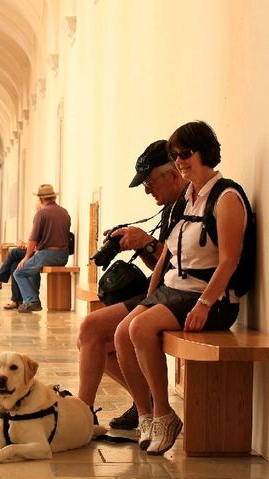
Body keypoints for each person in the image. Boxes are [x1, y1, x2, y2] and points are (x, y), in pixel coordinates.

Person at [114, 121, 247, 455]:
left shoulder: (226, 196)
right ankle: (146, 415)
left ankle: (164, 413)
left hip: (208, 298)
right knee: (122, 333)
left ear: (205, 151)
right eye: (175, 156)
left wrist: (204, 304)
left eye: (186, 153)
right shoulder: (187, 200)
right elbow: (169, 253)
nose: (181, 161)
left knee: (141, 328)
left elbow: (229, 260)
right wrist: (151, 293)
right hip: (175, 291)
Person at [76, 140, 189, 430]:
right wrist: (141, 246)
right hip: (163, 291)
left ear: (173, 173)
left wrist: (148, 242)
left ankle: (81, 415)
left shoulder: (192, 204)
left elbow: (186, 265)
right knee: (92, 336)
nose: (147, 190)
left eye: (149, 183)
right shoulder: (170, 208)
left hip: (178, 296)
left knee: (92, 330)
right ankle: (141, 401)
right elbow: (162, 266)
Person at [13, 184, 71, 313]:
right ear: (53, 197)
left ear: (40, 198)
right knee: (32, 270)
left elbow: (32, 239)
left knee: (19, 272)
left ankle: (31, 300)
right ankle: (33, 301)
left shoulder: (41, 213)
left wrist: (26, 258)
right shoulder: (64, 212)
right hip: (63, 255)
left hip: (48, 255)